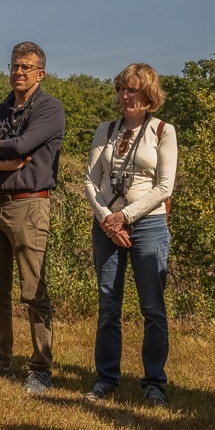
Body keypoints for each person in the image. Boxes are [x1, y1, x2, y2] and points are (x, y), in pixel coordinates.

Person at [0, 42, 66, 395]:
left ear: (41, 73)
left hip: (29, 205)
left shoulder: (50, 109)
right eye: (14, 66)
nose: (18, 73)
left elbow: (25, 145)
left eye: (26, 67)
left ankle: (40, 368)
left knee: (33, 291)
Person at [82, 63, 178, 407]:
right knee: (109, 304)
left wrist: (125, 216)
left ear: (148, 94)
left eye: (132, 90)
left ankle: (154, 382)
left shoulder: (163, 131)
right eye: (122, 89)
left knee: (152, 307)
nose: (125, 96)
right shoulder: (106, 130)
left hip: (148, 224)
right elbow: (91, 181)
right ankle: (106, 377)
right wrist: (108, 218)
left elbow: (164, 186)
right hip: (107, 223)